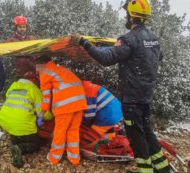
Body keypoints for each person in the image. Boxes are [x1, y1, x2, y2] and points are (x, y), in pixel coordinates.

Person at [71, 0, 170, 172]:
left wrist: (83, 42)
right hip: (146, 96)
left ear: (131, 16)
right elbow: (156, 57)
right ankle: (163, 168)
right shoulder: (154, 39)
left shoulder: (128, 39)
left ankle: (145, 170)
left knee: (136, 136)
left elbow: (106, 58)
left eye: (127, 14)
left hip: (132, 98)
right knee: (146, 130)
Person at [36, 56, 87, 166]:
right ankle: (74, 159)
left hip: (65, 106)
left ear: (40, 65)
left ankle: (54, 158)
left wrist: (43, 112)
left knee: (60, 131)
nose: (36, 70)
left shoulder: (45, 71)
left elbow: (46, 96)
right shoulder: (61, 68)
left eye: (36, 67)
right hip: (80, 103)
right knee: (73, 130)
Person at [0, 66, 43, 168]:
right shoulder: (34, 89)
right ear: (35, 81)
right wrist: (45, 117)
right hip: (23, 125)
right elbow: (42, 111)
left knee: (17, 136)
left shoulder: (12, 86)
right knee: (36, 144)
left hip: (7, 124)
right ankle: (20, 148)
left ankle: (16, 143)